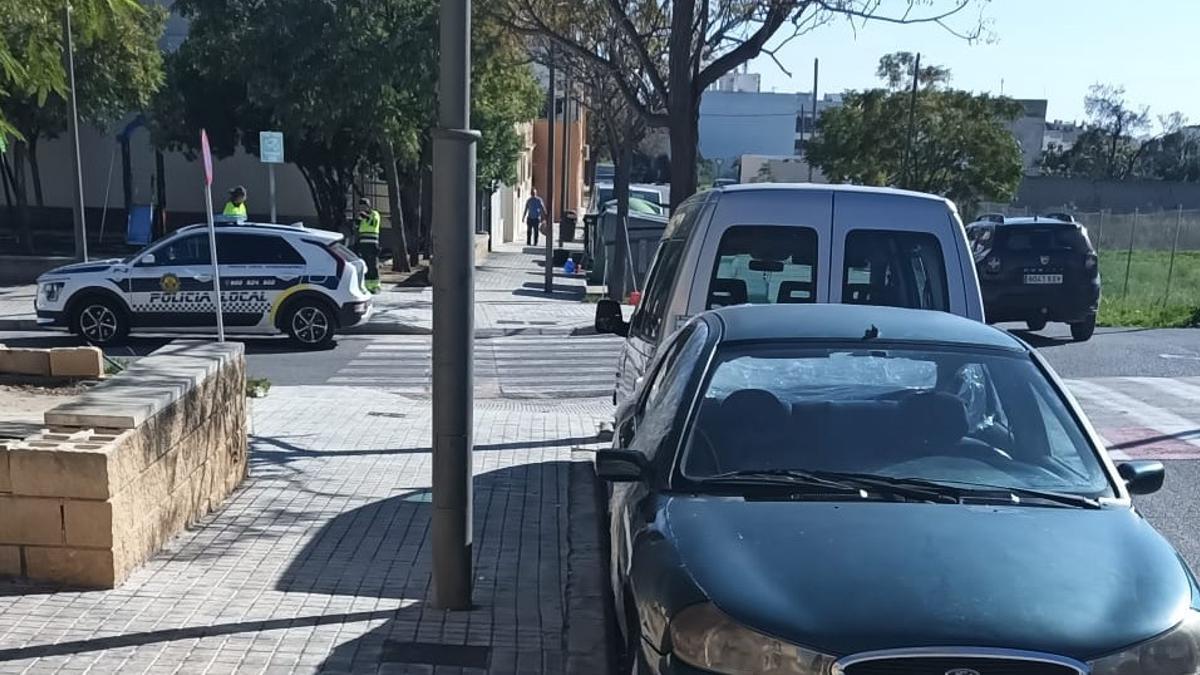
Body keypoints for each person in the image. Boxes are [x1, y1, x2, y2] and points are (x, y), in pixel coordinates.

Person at [356, 198, 382, 294]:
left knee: (373, 264)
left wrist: (364, 216)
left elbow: (372, 221)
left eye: (364, 206)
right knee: (365, 264)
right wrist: (358, 220)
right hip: (363, 243)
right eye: (361, 206)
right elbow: (357, 226)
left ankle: (375, 286)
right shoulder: (361, 216)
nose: (362, 208)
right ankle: (367, 286)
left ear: (368, 206)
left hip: (372, 243)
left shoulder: (375, 214)